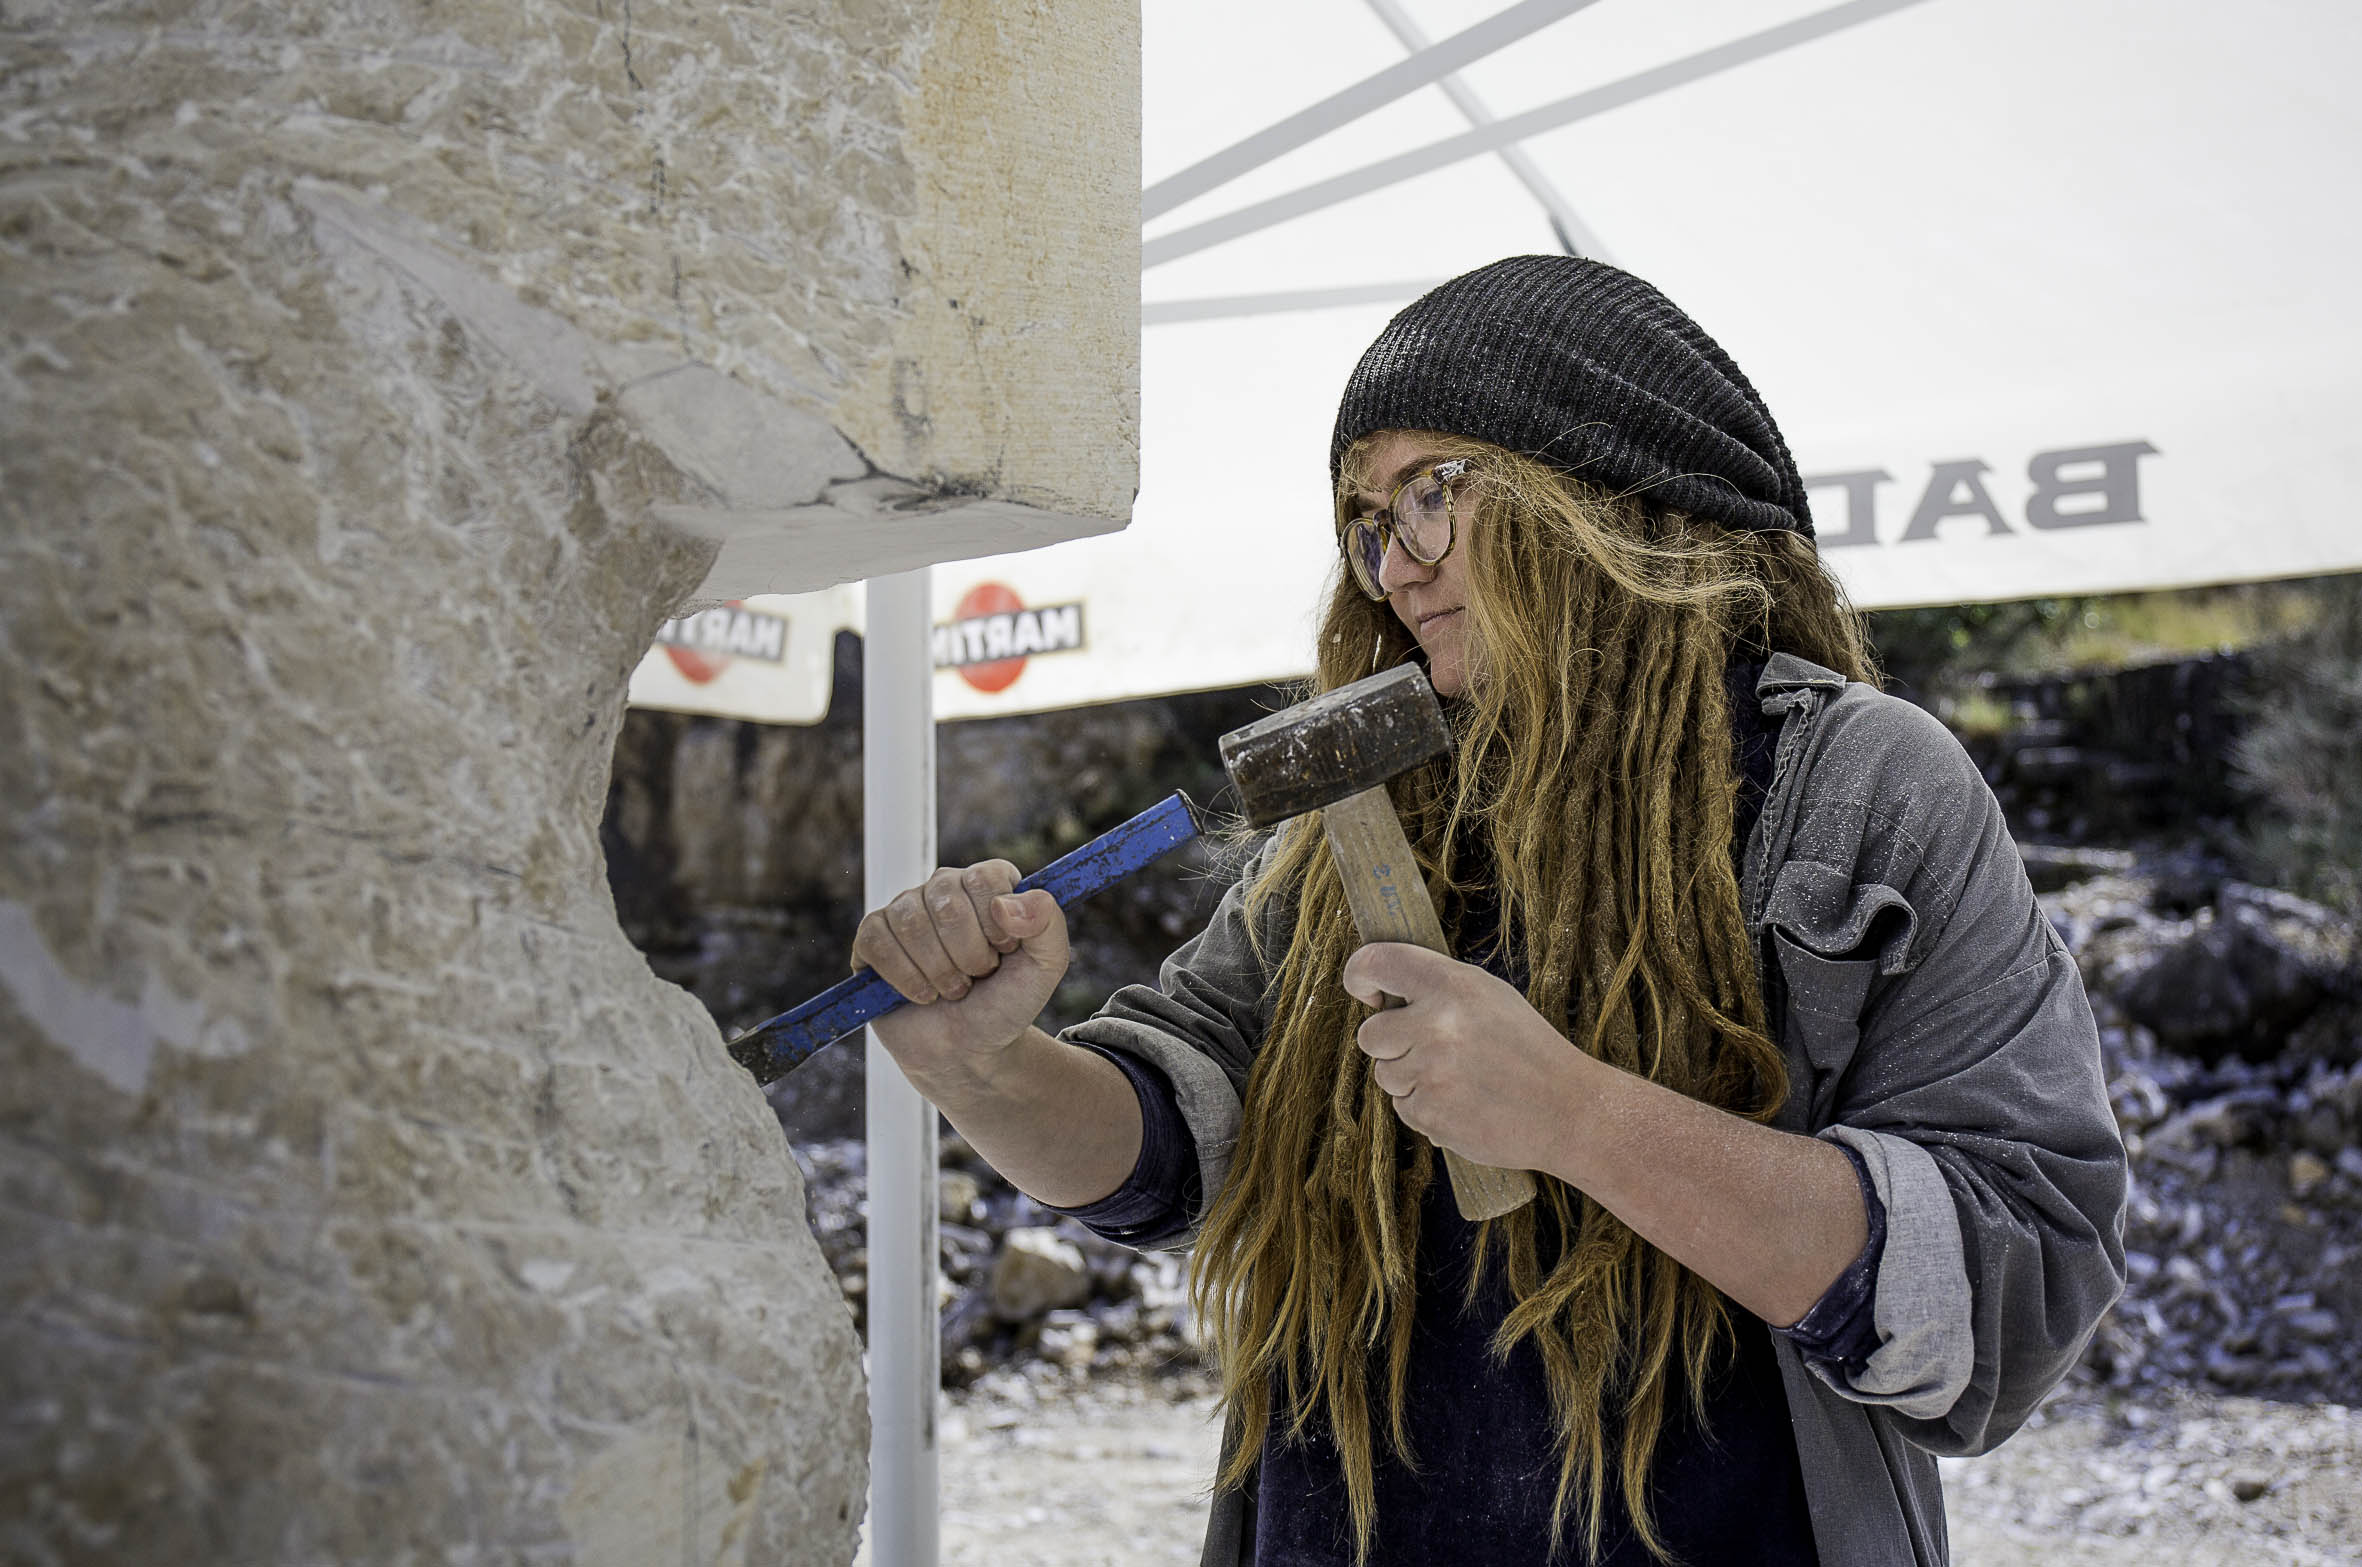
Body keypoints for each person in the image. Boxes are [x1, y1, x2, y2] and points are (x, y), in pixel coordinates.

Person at [852, 256, 2129, 1565]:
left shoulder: (1859, 785)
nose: (1388, 567)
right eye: (1362, 518)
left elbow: (2011, 1289)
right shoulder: (1365, 803)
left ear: (1609, 489)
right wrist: (987, 1065)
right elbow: (1173, 1138)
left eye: (1430, 492)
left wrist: (1577, 1115)